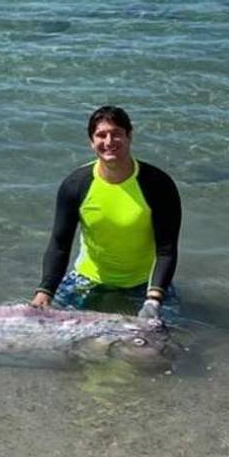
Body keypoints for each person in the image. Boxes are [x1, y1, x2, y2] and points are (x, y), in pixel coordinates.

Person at [29, 105, 181, 321]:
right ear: (92, 141)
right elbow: (60, 244)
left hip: (143, 283)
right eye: (101, 135)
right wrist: (45, 291)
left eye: (116, 134)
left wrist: (154, 299)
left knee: (162, 342)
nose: (109, 142)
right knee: (38, 323)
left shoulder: (157, 185)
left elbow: (166, 250)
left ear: (129, 136)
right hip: (87, 279)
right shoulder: (76, 185)